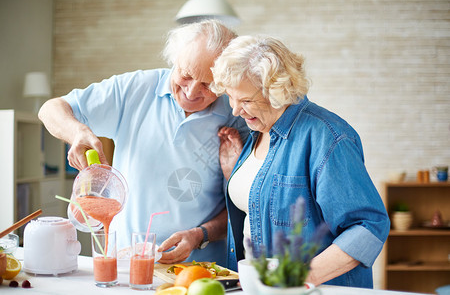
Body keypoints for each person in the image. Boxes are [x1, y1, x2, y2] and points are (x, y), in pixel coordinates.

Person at [38, 20, 248, 265]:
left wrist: (199, 234)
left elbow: (241, 205)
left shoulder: (238, 115)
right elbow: (50, 109)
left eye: (208, 84)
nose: (191, 93)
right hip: (128, 263)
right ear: (174, 59)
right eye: (186, 75)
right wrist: (77, 132)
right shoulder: (135, 89)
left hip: (200, 269)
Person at [211, 35, 390, 287]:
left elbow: (368, 226)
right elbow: (262, 201)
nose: (235, 111)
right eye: (231, 97)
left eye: (246, 100)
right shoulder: (256, 131)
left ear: (277, 90)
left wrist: (301, 278)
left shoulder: (328, 137)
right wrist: (234, 174)